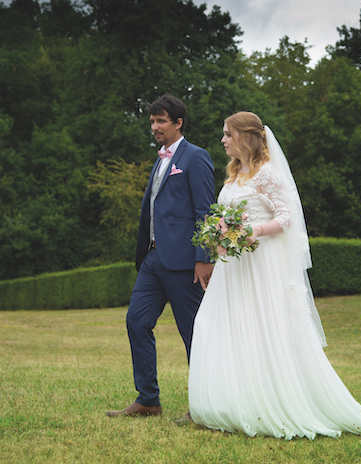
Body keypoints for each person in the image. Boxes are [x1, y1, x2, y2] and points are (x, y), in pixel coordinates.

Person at [187, 111, 361, 440]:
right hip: (234, 267)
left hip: (261, 265)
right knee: (223, 325)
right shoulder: (233, 176)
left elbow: (286, 218)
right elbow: (226, 217)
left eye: (227, 134)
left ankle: (269, 402)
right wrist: (220, 237)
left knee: (264, 327)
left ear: (246, 137)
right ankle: (231, 401)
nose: (223, 140)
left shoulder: (267, 174)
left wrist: (253, 230)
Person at [106, 94, 215, 419]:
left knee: (193, 334)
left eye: (161, 121)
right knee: (136, 321)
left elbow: (205, 211)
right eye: (152, 121)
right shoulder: (160, 159)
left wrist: (203, 257)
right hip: (152, 260)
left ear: (178, 123)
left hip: (185, 263)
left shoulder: (195, 157)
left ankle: (203, 406)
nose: (154, 126)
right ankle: (148, 400)